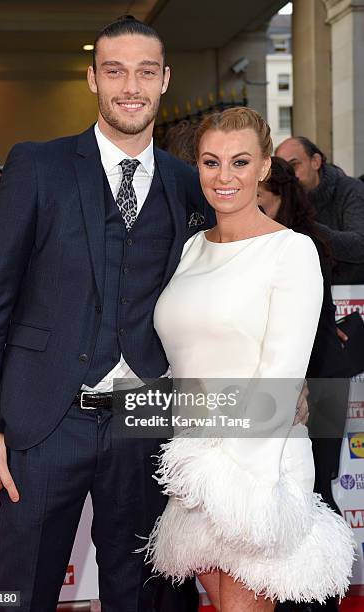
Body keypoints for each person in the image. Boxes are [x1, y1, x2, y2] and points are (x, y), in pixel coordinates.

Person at [0, 16, 211, 612]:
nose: (131, 85)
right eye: (115, 70)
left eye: (145, 71)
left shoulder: (186, 182)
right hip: (44, 419)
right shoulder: (37, 167)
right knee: (23, 589)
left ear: (165, 79)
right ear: (92, 78)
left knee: (144, 590)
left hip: (145, 421)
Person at [146, 108, 355, 612]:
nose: (224, 177)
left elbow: (282, 374)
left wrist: (246, 486)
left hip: (256, 465)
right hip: (194, 460)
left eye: (240, 162)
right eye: (211, 162)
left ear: (264, 167)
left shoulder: (291, 251)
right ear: (196, 167)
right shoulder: (193, 248)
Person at [258, 157, 350, 612]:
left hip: (319, 381)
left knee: (317, 491)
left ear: (283, 196)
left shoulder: (302, 244)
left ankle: (320, 594)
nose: (253, 208)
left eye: (262, 200)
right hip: (301, 378)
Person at [275, 136, 364, 284]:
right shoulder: (282, 197)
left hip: (350, 296)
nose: (290, 176)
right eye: (285, 170)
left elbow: (360, 245)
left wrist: (310, 230)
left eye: (294, 165)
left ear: (315, 161)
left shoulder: (351, 190)